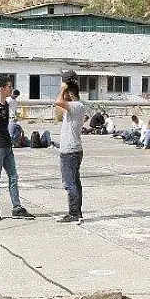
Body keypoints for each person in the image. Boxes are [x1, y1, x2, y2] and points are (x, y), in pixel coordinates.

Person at [0, 76, 33, 221]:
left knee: (13, 176)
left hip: (7, 145)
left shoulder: (6, 104)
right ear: (2, 88)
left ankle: (17, 208)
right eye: (9, 86)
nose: (11, 89)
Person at [55, 79, 87, 223]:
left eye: (67, 93)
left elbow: (59, 102)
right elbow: (58, 110)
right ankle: (77, 212)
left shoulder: (77, 105)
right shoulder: (75, 107)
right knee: (75, 183)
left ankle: (74, 213)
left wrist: (63, 88)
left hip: (70, 151)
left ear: (71, 94)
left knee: (70, 184)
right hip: (72, 149)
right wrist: (63, 91)